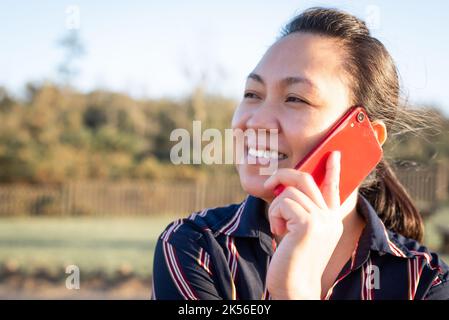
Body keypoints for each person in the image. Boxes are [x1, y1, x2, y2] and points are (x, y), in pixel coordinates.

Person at [151, 7, 449, 300]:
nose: (255, 122)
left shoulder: (425, 282)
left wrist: (295, 293)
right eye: (252, 94)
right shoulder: (194, 248)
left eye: (295, 99)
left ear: (368, 136)